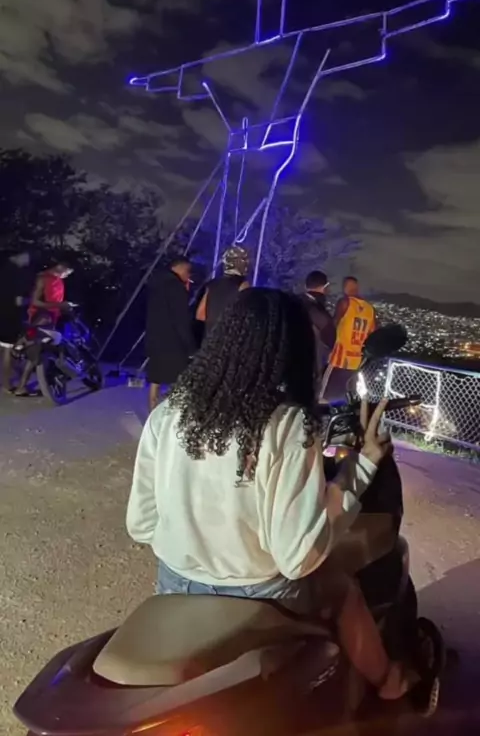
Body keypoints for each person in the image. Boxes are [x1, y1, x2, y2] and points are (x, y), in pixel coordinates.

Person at [127, 288, 418, 702]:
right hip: (258, 594)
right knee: (342, 588)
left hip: (174, 584)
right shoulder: (289, 426)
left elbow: (141, 524)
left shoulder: (167, 414)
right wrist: (364, 462)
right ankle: (388, 683)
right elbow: (296, 558)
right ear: (291, 351)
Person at [14, 260, 73, 397]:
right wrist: (59, 306)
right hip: (40, 318)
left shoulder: (58, 280)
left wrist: (62, 307)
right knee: (35, 355)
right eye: (67, 272)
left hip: (52, 318)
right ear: (61, 267)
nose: (67, 276)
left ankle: (38, 383)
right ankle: (21, 387)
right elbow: (35, 301)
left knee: (42, 353)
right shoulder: (43, 278)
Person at [146, 256, 197, 413]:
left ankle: (151, 416)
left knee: (156, 380)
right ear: (180, 268)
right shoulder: (176, 287)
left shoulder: (156, 284)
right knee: (179, 381)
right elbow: (181, 319)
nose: (189, 275)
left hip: (155, 339)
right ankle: (172, 418)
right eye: (188, 271)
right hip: (173, 343)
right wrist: (190, 347)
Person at [320, 276, 376, 402]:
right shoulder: (369, 309)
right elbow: (372, 333)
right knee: (345, 396)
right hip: (356, 361)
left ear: (345, 287)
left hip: (339, 358)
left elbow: (333, 325)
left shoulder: (345, 302)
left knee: (324, 396)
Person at [195, 245, 249, 335]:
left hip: (210, 338)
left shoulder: (211, 285)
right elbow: (246, 317)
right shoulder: (243, 285)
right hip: (229, 338)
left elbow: (200, 315)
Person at [0, 251, 33, 393]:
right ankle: (7, 384)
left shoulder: (3, 270)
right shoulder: (15, 274)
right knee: (8, 350)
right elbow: (19, 301)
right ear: (18, 256)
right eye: (27, 256)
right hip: (9, 316)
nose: (28, 260)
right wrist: (31, 300)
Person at [300, 270, 336, 398]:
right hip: (311, 366)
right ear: (325, 287)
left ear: (306, 286)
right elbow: (331, 340)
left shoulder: (292, 304)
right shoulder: (319, 313)